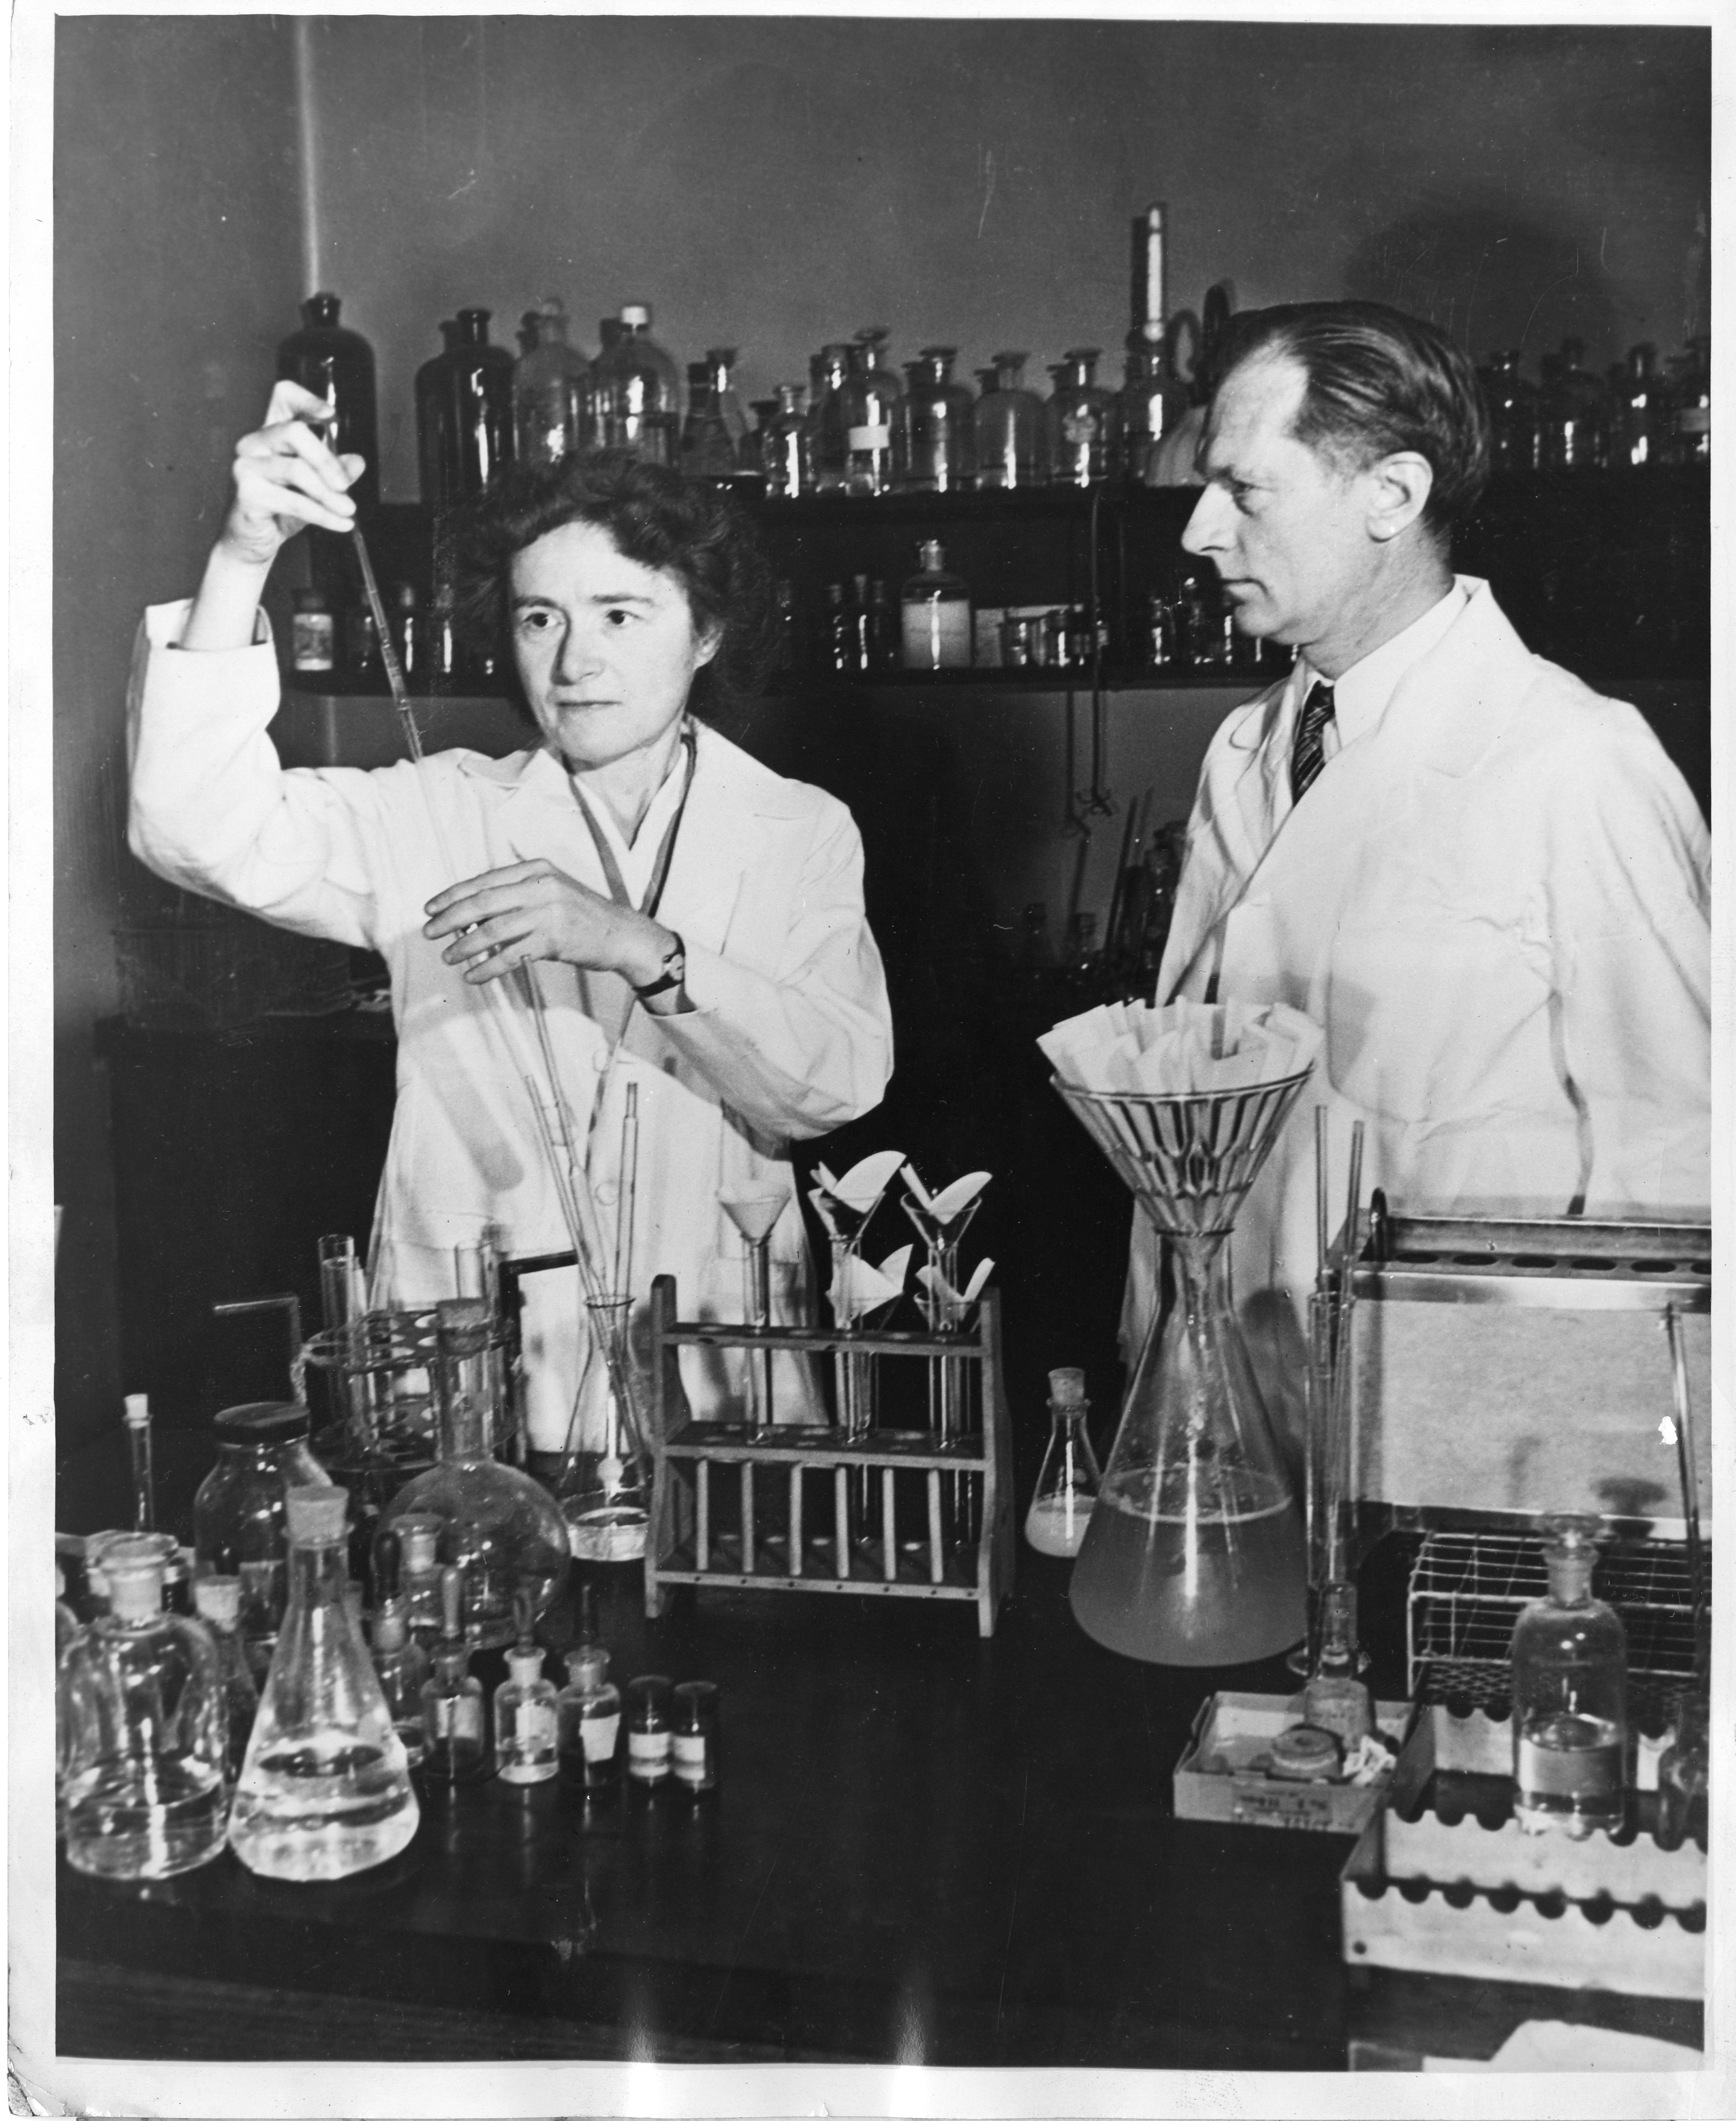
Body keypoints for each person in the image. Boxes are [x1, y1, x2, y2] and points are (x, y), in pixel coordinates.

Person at [129, 380, 894, 1445]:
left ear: (707, 631)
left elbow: (835, 1082)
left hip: (717, 1360)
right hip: (470, 1358)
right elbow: (191, 825)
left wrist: (627, 943)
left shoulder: (797, 828)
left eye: (621, 615)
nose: (573, 662)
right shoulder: (437, 809)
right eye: (541, 618)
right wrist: (242, 553)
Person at [1127, 302, 1711, 1437]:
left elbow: (1676, 1153)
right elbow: (1182, 1090)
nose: (1198, 529)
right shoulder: (1244, 749)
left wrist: (1583, 1457)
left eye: (1243, 490)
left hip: (1476, 1417)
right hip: (1238, 1391)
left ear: (1389, 495)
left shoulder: (1571, 758)